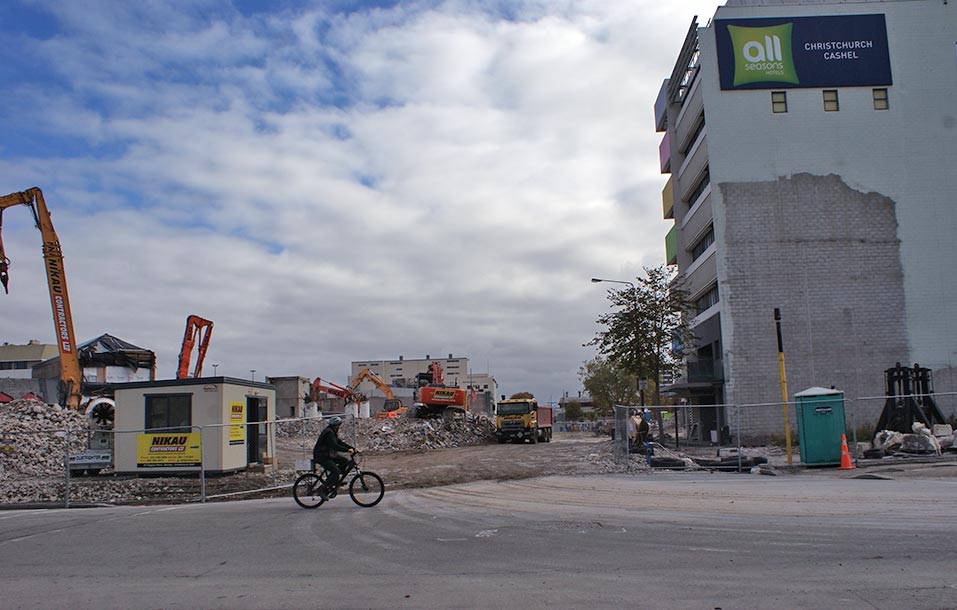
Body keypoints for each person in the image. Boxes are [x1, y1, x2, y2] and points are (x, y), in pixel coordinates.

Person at [312, 416, 355, 496]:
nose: (339, 427)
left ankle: (335, 480)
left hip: (329, 454)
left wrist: (351, 448)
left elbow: (339, 442)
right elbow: (334, 445)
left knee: (344, 461)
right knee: (336, 471)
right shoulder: (329, 433)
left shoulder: (332, 431)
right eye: (338, 425)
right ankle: (322, 489)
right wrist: (347, 450)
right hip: (322, 456)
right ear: (335, 425)